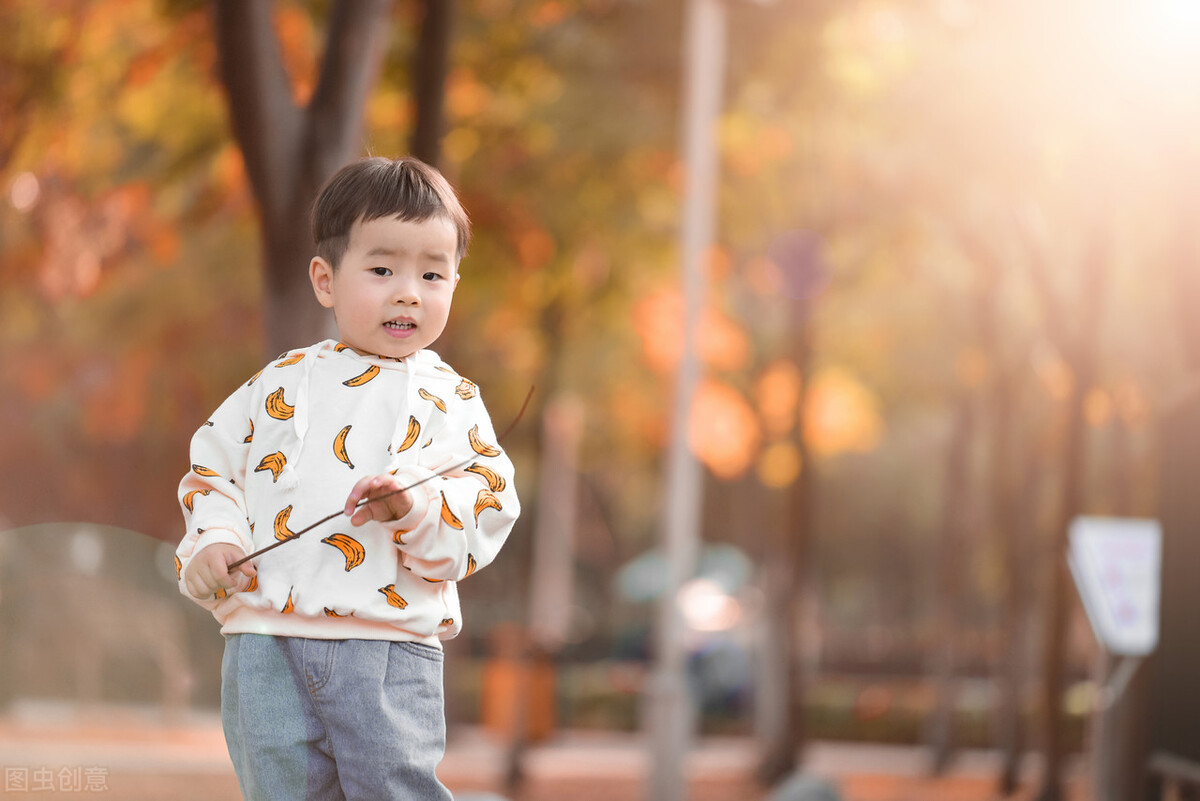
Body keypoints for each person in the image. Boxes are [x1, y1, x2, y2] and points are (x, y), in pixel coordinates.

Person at [175, 156, 520, 801]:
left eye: (432, 273)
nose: (408, 292)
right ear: (325, 280)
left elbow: (488, 505)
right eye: (383, 269)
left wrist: (415, 507)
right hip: (265, 644)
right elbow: (213, 469)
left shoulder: (453, 402)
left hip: (387, 651)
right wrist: (214, 540)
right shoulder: (276, 384)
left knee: (395, 792)